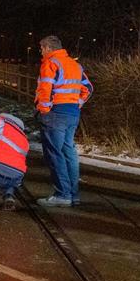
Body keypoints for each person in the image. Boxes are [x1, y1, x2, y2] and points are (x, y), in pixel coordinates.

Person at [34, 35, 93, 207]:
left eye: (41, 48)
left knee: (54, 154)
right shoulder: (75, 65)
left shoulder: (50, 63)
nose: (41, 52)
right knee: (69, 153)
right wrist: (77, 103)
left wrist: (44, 110)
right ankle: (73, 195)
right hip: (72, 113)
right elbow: (88, 88)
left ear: (47, 48)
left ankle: (62, 194)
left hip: (55, 114)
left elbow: (45, 89)